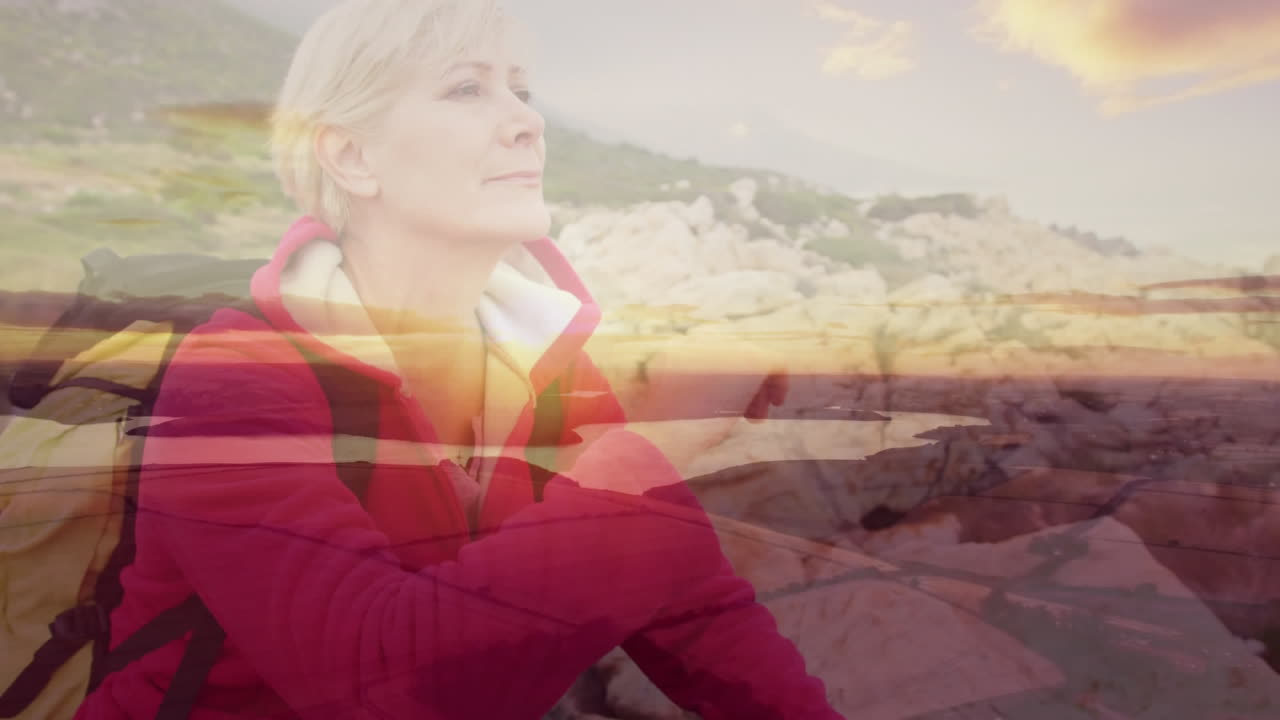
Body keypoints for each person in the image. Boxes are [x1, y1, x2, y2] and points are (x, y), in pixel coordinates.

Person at [74, 1, 839, 718]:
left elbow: (697, 615)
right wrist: (658, 440)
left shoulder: (548, 371)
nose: (528, 122)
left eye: (523, 89)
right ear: (350, 156)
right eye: (468, 89)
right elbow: (383, 685)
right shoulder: (236, 377)